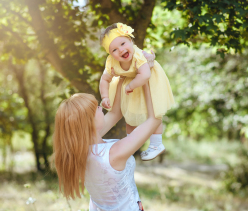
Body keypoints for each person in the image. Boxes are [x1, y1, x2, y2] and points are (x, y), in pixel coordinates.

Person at [53, 77, 161, 210]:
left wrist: (122, 80)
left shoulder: (79, 149)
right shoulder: (114, 153)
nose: (100, 107)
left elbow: (116, 112)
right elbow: (154, 119)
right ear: (90, 122)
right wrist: (145, 81)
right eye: (96, 108)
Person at [99, 22, 174, 160]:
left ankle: (157, 144)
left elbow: (145, 75)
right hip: (131, 85)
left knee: (155, 113)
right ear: (110, 54)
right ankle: (130, 144)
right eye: (114, 50)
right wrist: (104, 96)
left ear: (130, 41)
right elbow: (104, 79)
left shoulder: (139, 56)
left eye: (123, 44)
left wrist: (131, 86)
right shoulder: (111, 62)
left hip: (148, 80)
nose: (121, 50)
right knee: (130, 116)